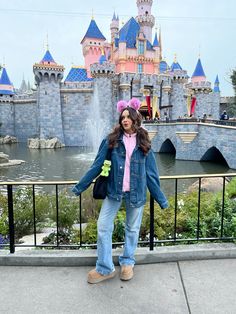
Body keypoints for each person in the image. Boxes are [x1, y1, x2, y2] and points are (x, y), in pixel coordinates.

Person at [72, 98, 168, 284]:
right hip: (113, 191)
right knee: (103, 227)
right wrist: (80, 186)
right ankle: (105, 268)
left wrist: (161, 199)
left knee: (132, 229)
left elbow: (151, 175)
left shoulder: (144, 143)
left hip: (136, 193)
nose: (124, 120)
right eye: (122, 117)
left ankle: (127, 263)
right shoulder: (111, 141)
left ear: (135, 119)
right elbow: (97, 165)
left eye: (128, 117)